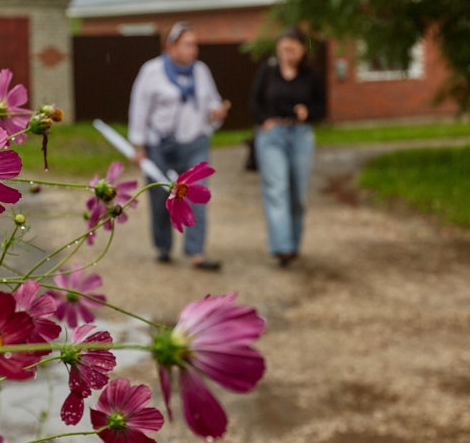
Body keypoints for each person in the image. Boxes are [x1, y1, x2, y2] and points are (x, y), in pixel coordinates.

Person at [128, 22, 230, 270]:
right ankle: (163, 246)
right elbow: (139, 108)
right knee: (161, 196)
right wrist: (138, 146)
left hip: (195, 143)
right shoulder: (151, 71)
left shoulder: (201, 71)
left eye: (195, 44)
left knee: (196, 196)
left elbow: (212, 102)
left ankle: (196, 252)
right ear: (171, 46)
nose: (194, 50)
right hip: (159, 146)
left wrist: (216, 113)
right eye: (188, 44)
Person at [249, 27, 325, 267]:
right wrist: (264, 120)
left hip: (301, 135)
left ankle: (293, 243)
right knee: (277, 189)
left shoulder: (312, 76)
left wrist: (308, 112)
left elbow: (322, 108)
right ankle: (282, 247)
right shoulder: (267, 72)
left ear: (302, 50)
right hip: (272, 137)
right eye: (284, 48)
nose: (288, 52)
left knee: (298, 195)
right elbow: (254, 101)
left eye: (293, 48)